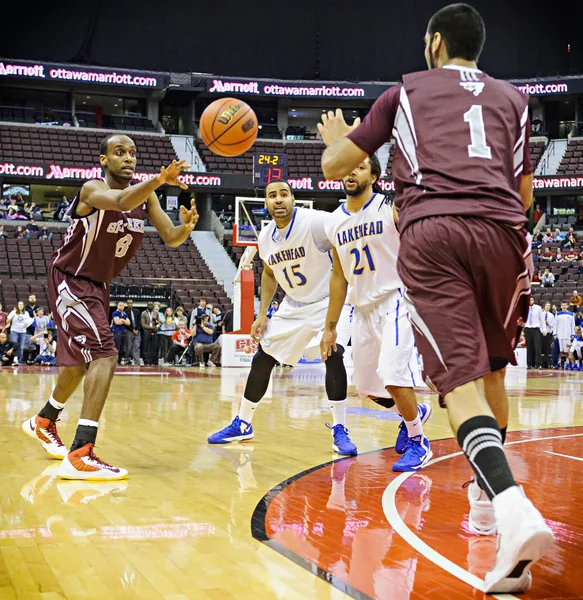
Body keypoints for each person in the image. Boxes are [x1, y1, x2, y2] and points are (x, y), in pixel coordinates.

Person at [317, 4, 553, 592]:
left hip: (436, 232)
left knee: (458, 385)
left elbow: (334, 164)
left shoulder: (405, 93)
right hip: (506, 235)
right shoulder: (515, 100)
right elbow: (524, 191)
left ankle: (513, 506)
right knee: (493, 372)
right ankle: (485, 512)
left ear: (436, 42)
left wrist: (337, 138)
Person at [22, 133, 198, 479]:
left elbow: (172, 239)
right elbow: (118, 201)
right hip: (71, 279)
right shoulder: (91, 189)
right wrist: (160, 179)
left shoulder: (146, 200)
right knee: (104, 355)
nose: (128, 158)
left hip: (98, 286)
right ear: (104, 160)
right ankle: (81, 452)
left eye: (133, 153)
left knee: (85, 362)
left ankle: (44, 420)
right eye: (119, 152)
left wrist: (187, 227)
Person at [208, 180, 356, 454]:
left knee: (332, 353)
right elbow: (268, 272)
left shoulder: (314, 222)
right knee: (263, 358)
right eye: (272, 196)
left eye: (284, 194)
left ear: (293, 199)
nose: (278, 200)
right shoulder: (265, 237)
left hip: (328, 300)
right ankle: (243, 423)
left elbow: (344, 226)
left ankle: (340, 429)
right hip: (294, 305)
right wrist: (262, 314)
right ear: (265, 203)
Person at [320, 156, 432, 472]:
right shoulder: (333, 222)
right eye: (348, 165)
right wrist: (330, 327)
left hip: (397, 298)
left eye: (360, 165)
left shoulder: (389, 207)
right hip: (363, 308)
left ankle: (418, 442)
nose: (351, 170)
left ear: (373, 174)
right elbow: (339, 277)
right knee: (369, 387)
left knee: (393, 375)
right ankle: (415, 412)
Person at [553, 301, 576, 369]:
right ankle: (559, 363)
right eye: (562, 305)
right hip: (559, 335)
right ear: (561, 306)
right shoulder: (557, 314)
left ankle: (568, 363)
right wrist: (555, 333)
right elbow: (555, 324)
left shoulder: (571, 314)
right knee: (560, 350)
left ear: (567, 306)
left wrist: (572, 334)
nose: (563, 306)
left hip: (568, 335)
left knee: (567, 351)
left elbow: (573, 325)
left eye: (565, 305)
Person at [523, 298, 543, 369]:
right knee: (529, 347)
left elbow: (542, 319)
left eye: (531, 300)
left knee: (538, 347)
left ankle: (539, 364)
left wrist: (544, 329)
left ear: (534, 301)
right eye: (529, 300)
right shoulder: (524, 308)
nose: (530, 301)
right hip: (528, 329)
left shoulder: (538, 308)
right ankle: (529, 364)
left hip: (536, 329)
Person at [124, 299, 141, 365]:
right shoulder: (125, 312)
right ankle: (128, 360)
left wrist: (137, 329)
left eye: (131, 303)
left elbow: (139, 321)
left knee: (136, 346)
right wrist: (132, 330)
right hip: (129, 331)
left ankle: (137, 361)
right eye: (128, 303)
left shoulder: (137, 311)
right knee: (129, 346)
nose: (130, 304)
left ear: (132, 304)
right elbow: (126, 323)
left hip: (137, 331)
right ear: (127, 304)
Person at [541, 301, 555, 368]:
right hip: (541, 333)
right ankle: (539, 363)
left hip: (548, 333)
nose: (548, 307)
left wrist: (548, 324)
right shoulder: (540, 314)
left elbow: (552, 325)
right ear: (544, 306)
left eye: (549, 306)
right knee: (540, 348)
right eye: (546, 305)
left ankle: (546, 363)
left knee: (547, 349)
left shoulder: (551, 315)